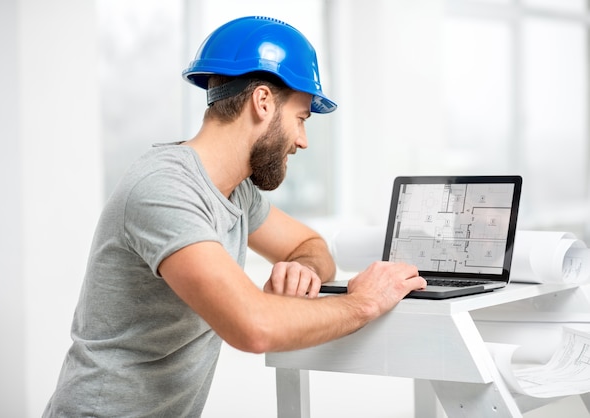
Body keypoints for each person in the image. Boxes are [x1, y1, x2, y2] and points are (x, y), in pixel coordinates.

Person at [43, 16, 426, 417]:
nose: (302, 141)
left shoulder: (237, 192)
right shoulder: (163, 188)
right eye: (300, 118)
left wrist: (303, 268)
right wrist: (364, 303)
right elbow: (253, 327)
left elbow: (310, 246)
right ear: (262, 102)